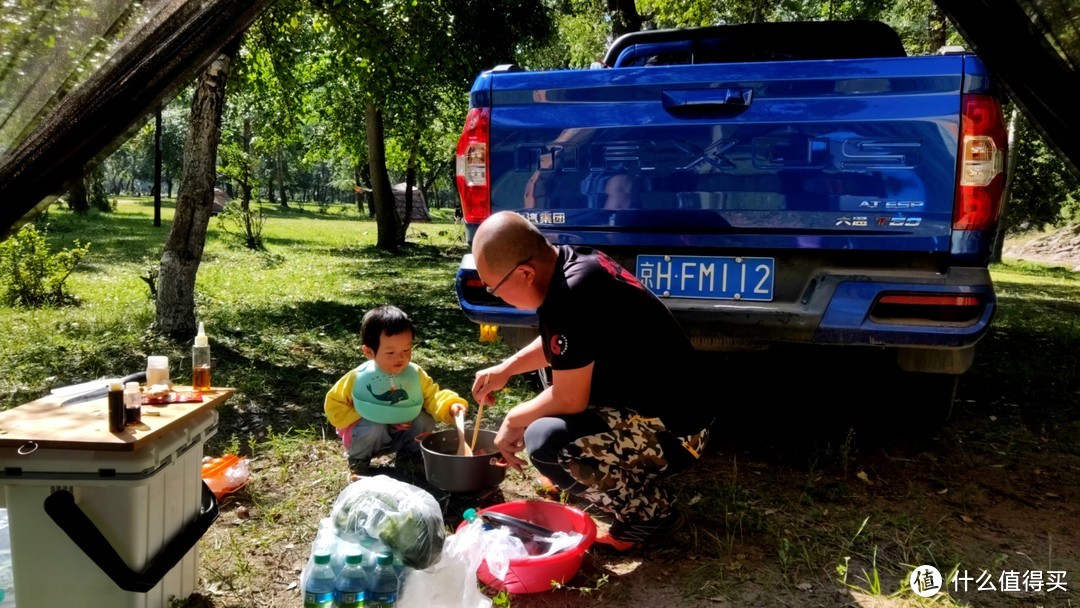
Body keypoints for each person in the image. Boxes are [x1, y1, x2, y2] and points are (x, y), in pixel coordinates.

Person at [470, 211, 712, 551]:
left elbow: (569, 399)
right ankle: (588, 472)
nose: (497, 296)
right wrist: (507, 368)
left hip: (676, 433)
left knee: (545, 441)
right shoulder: (572, 262)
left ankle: (649, 515)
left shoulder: (570, 296)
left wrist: (515, 418)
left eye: (495, 288)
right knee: (553, 375)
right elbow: (566, 340)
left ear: (525, 273)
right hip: (659, 405)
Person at [325, 305, 467, 478]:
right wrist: (360, 416)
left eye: (406, 350)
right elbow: (334, 403)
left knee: (424, 419)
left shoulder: (414, 374)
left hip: (404, 432)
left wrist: (450, 404)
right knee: (373, 427)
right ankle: (359, 461)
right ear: (369, 352)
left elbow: (433, 395)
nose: (400, 357)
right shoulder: (358, 378)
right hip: (371, 436)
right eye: (390, 352)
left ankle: (410, 457)